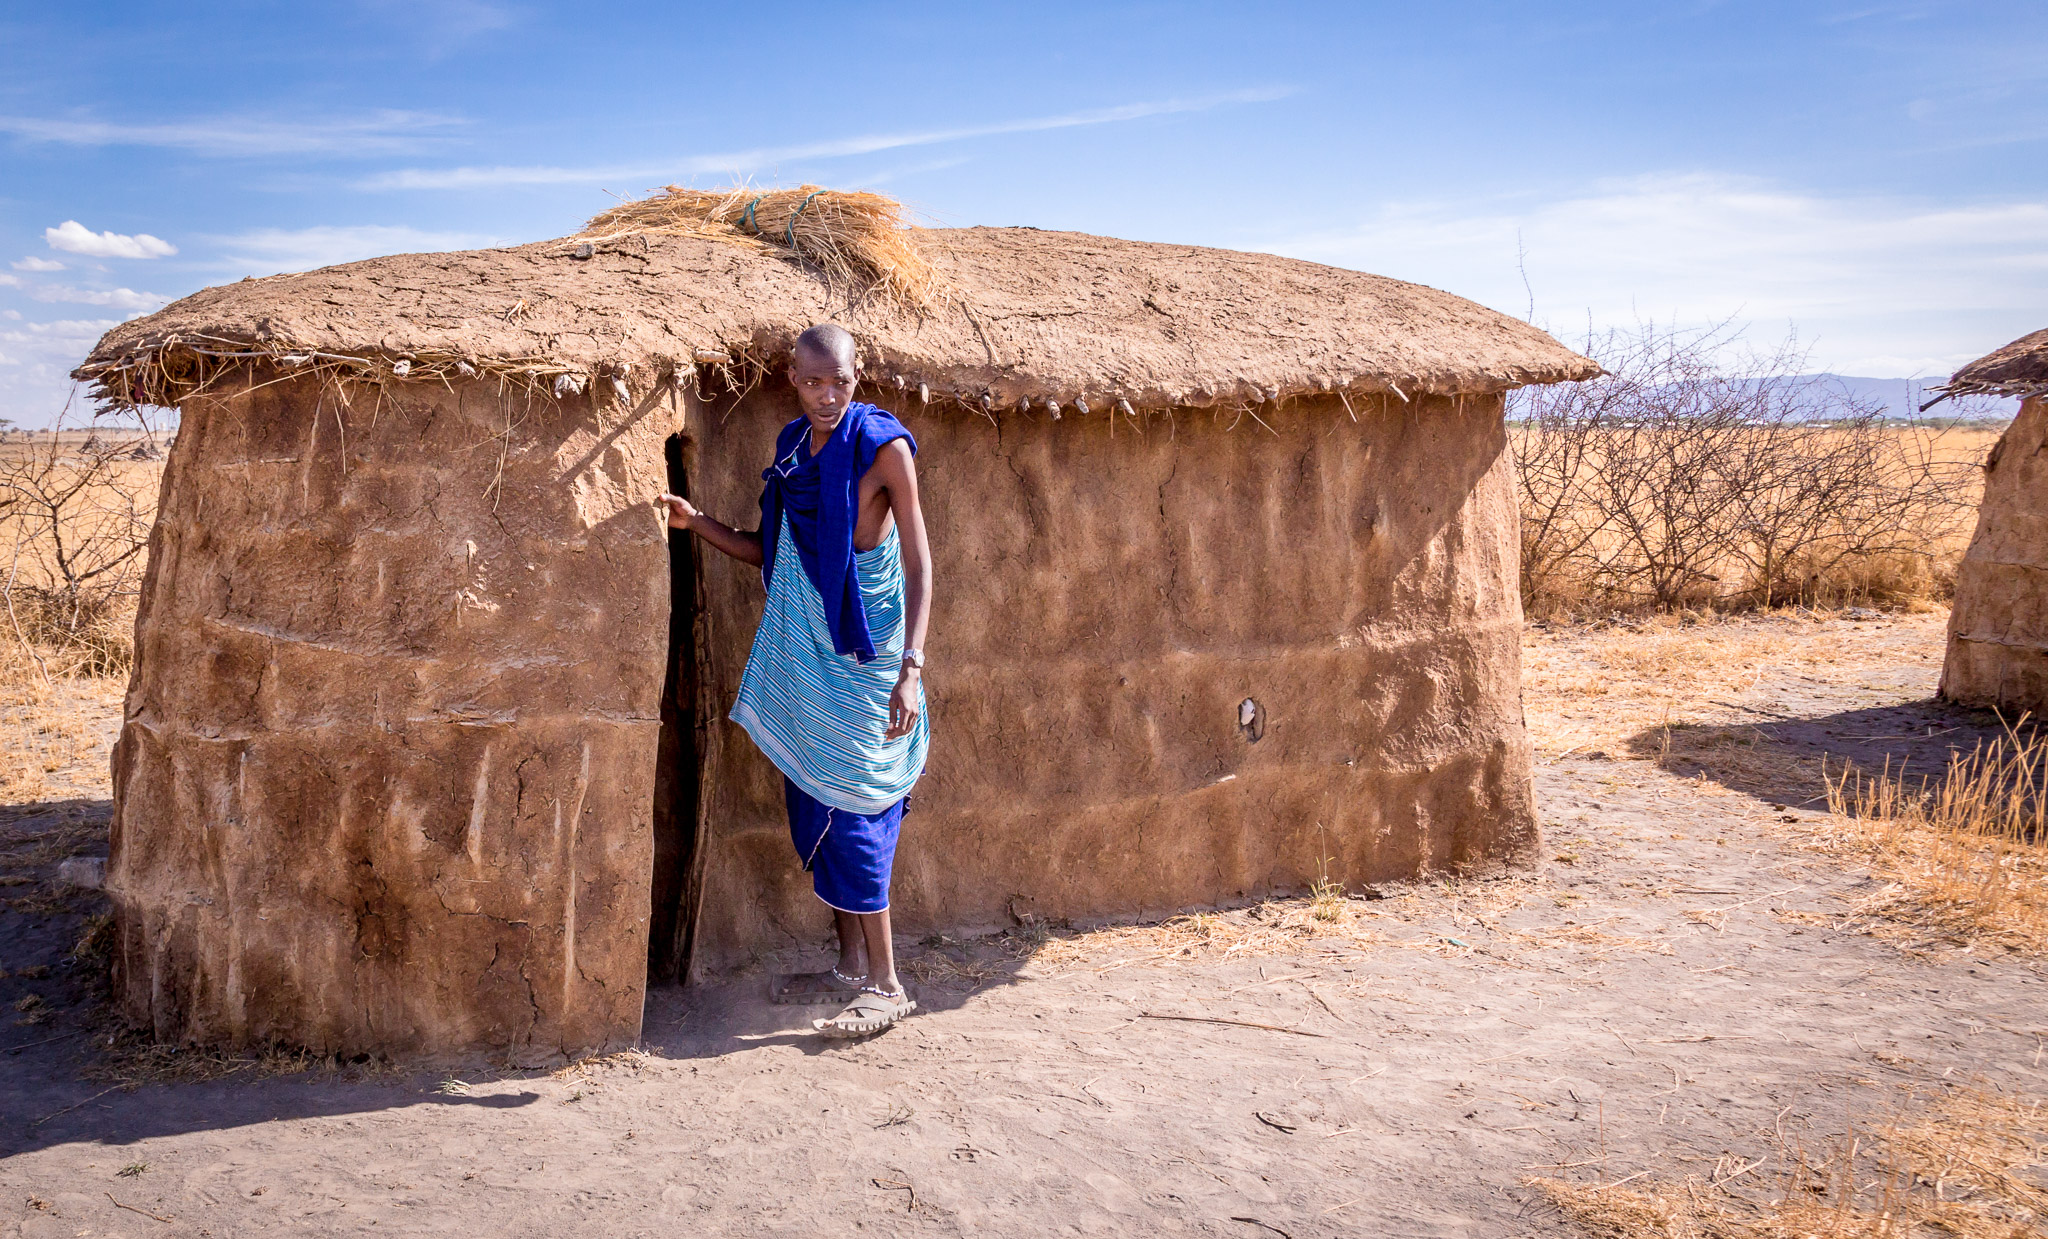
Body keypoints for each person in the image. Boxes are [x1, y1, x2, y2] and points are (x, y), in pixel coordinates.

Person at [657, 323, 931, 1037]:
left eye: (840, 380)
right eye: (813, 381)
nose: (828, 395)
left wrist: (912, 670)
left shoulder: (883, 448)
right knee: (819, 804)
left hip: (871, 664)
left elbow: (923, 568)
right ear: (793, 377)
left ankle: (887, 982)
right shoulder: (789, 451)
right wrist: (696, 524)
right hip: (812, 664)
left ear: (856, 373)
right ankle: (846, 967)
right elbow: (769, 553)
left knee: (859, 808)